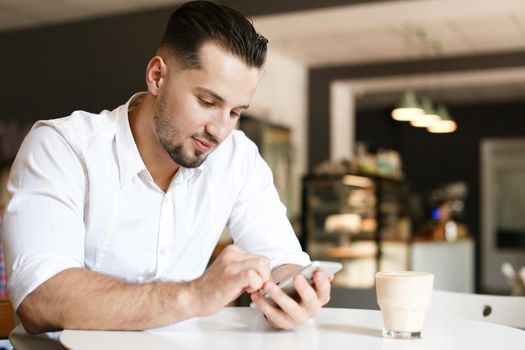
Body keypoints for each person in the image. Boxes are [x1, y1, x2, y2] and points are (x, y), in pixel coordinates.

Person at [2, 1, 333, 347]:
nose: (220, 130)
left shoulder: (238, 158)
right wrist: (193, 295)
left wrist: (295, 291)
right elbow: (40, 298)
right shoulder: (63, 147)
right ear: (157, 76)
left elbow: (282, 259)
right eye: (207, 102)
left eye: (235, 112)